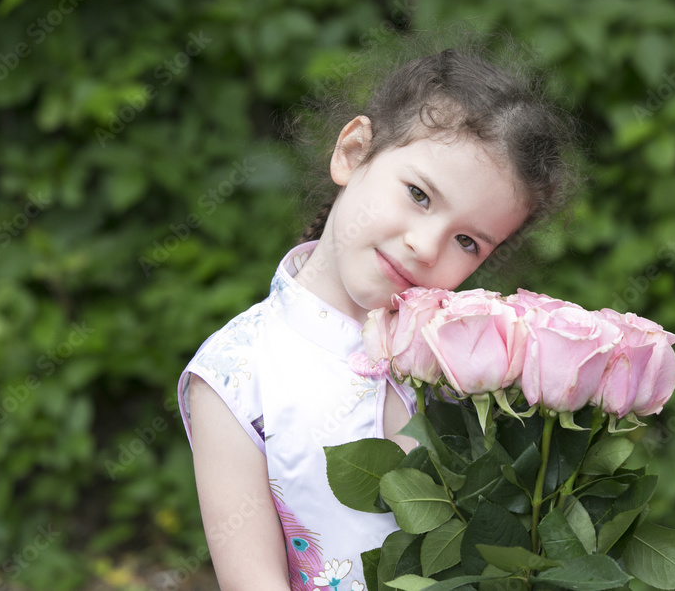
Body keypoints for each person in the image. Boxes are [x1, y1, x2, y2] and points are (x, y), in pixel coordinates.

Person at [177, 34, 579, 590]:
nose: (426, 246)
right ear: (353, 152)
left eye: (468, 241)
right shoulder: (235, 375)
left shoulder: (474, 364)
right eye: (419, 195)